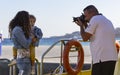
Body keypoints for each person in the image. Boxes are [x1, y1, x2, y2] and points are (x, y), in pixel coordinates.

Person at [74, 5, 118, 75]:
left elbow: (85, 38)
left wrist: (81, 26)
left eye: (85, 16)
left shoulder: (95, 19)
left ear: (92, 13)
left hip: (101, 58)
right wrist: (85, 25)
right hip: (111, 58)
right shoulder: (107, 20)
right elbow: (91, 36)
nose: (85, 18)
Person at [9, 10, 37, 75]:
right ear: (23, 19)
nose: (28, 21)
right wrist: (31, 37)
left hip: (25, 59)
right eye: (27, 19)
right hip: (23, 60)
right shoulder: (18, 30)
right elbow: (26, 44)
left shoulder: (19, 29)